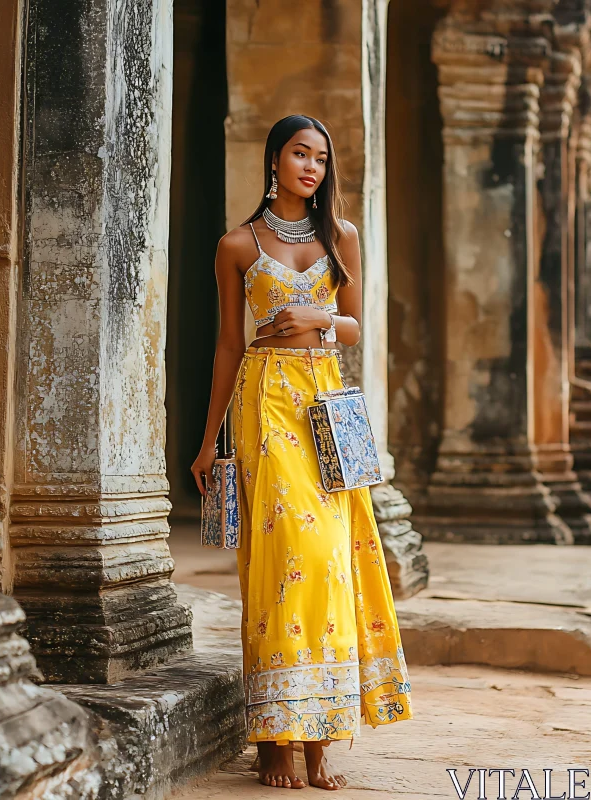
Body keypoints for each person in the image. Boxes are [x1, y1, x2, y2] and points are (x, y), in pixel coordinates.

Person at [191, 114, 413, 791]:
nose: (311, 167)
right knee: (289, 557)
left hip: (326, 401)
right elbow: (229, 345)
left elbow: (352, 324)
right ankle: (276, 739)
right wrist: (207, 442)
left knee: (334, 561)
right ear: (275, 160)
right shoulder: (237, 245)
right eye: (299, 154)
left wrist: (318, 318)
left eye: (320, 157)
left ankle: (321, 734)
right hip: (265, 405)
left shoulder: (337, 236)